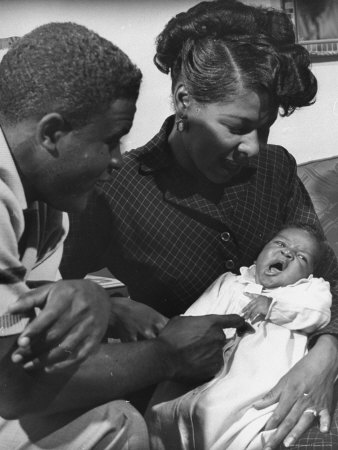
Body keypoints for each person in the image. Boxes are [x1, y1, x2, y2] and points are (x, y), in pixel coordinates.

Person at [61, 1, 338, 448]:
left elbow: (330, 276)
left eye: (265, 128)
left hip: (299, 377)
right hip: (194, 401)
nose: (254, 148)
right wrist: (111, 306)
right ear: (186, 100)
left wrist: (327, 356)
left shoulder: (275, 169)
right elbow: (54, 289)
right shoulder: (114, 189)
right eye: (237, 126)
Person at [0, 22, 243, 449]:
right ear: (51, 134)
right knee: (117, 426)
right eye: (110, 141)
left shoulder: (45, 201)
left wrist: (106, 304)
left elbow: (35, 330)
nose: (117, 160)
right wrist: (165, 357)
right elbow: (13, 385)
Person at [146, 224, 332, 450]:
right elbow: (190, 321)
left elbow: (318, 314)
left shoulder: (309, 290)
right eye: (280, 244)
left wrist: (273, 307)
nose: (287, 253)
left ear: (309, 274)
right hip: (199, 373)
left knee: (237, 424)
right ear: (259, 252)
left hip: (250, 390)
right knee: (169, 417)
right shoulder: (229, 282)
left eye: (301, 257)